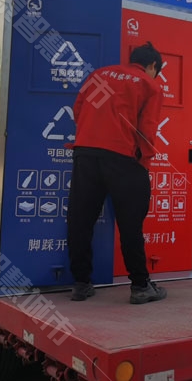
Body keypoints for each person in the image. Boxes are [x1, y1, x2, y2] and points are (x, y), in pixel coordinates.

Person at [66, 42, 167, 304]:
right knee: (131, 224)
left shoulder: (99, 75)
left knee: (80, 220)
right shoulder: (149, 84)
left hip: (86, 154)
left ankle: (81, 284)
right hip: (123, 158)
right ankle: (140, 286)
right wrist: (143, 163)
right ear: (152, 66)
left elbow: (78, 111)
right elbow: (147, 129)